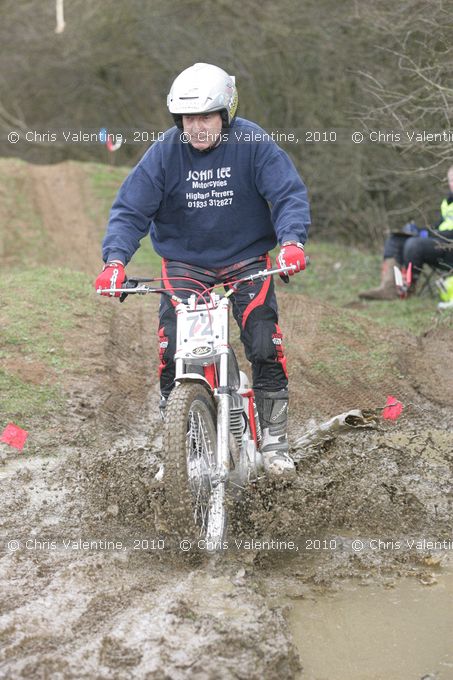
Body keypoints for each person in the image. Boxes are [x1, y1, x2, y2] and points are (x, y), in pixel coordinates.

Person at [94, 63, 311, 479]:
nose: (197, 127)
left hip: (245, 259)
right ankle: (182, 446)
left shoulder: (253, 143)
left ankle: (275, 440)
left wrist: (292, 242)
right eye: (188, 119)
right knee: (171, 349)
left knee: (264, 341)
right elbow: (129, 210)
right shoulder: (163, 153)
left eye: (205, 117)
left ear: (224, 114)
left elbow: (287, 194)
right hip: (186, 264)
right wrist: (115, 263)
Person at [359, 166, 453, 300]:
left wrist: (425, 235)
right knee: (396, 238)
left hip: (450, 249)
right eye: (451, 180)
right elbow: (439, 227)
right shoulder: (448, 202)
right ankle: (389, 287)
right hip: (439, 244)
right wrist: (418, 231)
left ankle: (407, 288)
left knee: (414, 244)